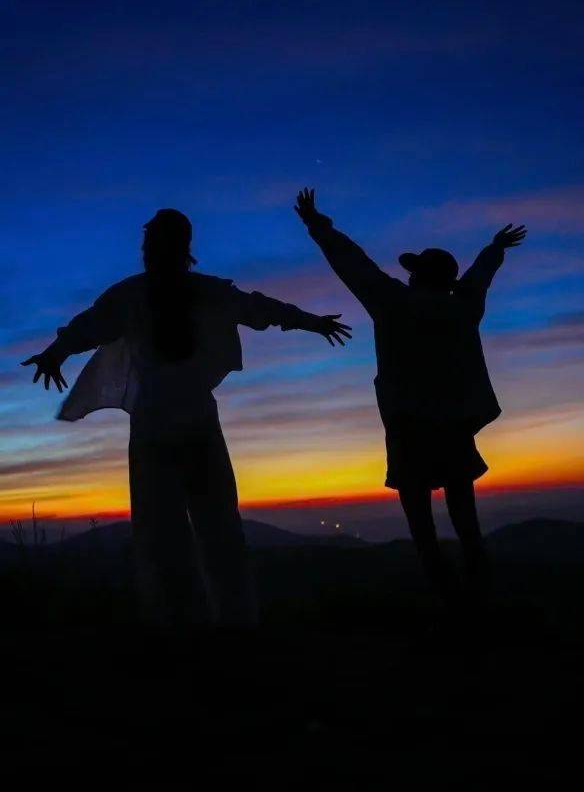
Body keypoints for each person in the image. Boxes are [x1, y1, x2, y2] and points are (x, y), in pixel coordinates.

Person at [22, 208, 351, 630]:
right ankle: (216, 622)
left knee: (177, 531)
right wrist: (312, 322)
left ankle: (195, 624)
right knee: (204, 528)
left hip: (166, 424)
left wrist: (55, 353)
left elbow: (87, 328)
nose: (148, 250)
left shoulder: (145, 295)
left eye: (152, 243)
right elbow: (260, 309)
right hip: (184, 421)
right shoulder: (185, 293)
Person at [294, 188, 526, 612]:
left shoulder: (392, 303)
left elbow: (352, 262)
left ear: (418, 276)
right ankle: (480, 599)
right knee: (465, 518)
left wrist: (316, 224)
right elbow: (478, 278)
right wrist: (495, 249)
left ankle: (446, 601)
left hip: (408, 429)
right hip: (454, 426)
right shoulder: (463, 308)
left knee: (422, 527)